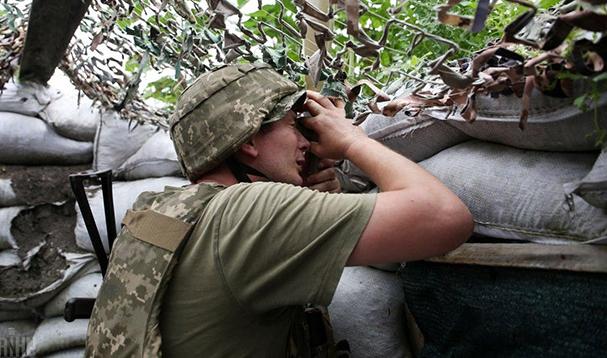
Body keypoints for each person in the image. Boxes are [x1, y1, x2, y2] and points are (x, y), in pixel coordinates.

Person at [85, 63, 473, 357]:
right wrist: (353, 140)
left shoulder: (161, 208)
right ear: (250, 139)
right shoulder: (250, 213)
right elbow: (444, 217)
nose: (307, 142)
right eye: (294, 125)